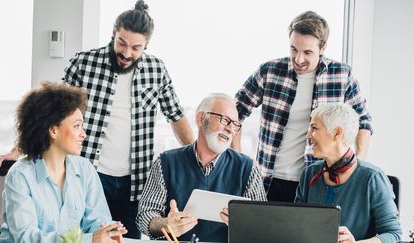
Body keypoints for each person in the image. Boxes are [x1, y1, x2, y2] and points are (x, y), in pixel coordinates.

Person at [0, 0, 194, 238]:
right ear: (113, 34)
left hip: (133, 180)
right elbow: (51, 110)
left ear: (146, 45)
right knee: (76, 234)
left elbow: (176, 115)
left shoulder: (157, 70)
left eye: (136, 48)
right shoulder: (85, 63)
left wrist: (195, 157)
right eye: (121, 43)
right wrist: (21, 149)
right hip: (90, 170)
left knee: (119, 236)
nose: (126, 53)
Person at [233, 11, 373, 202]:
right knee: (265, 232)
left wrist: (356, 167)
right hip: (268, 180)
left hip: (318, 181)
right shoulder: (269, 72)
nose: (298, 59)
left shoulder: (342, 75)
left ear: (323, 48)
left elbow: (363, 122)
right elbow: (234, 114)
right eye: (294, 49)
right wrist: (239, 159)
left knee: (310, 232)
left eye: (307, 52)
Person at [0, 82, 127, 243]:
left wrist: (109, 232)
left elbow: (98, 221)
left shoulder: (85, 169)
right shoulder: (20, 175)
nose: (83, 134)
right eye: (77, 126)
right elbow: (26, 238)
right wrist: (88, 240)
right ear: (53, 130)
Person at [136, 93, 266, 242]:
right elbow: (144, 216)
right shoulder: (165, 162)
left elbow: (262, 225)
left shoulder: (247, 169)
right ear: (201, 119)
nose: (230, 129)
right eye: (225, 120)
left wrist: (245, 225)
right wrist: (166, 224)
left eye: (235, 124)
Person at [295, 103, 401, 243]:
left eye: (314, 128)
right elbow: (296, 224)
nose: (308, 135)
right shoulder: (309, 173)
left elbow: (393, 234)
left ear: (337, 133)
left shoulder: (373, 178)